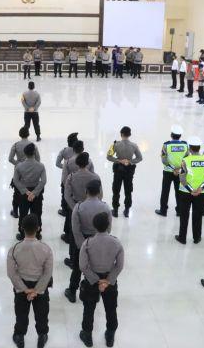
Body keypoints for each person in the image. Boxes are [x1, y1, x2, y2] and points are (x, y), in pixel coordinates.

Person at [78, 213, 124, 348]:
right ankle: (110, 336)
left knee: (89, 308)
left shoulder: (87, 243)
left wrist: (96, 280)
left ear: (94, 226)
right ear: (108, 225)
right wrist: (108, 281)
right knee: (111, 308)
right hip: (110, 281)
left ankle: (87, 336)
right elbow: (119, 265)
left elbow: (83, 266)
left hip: (91, 281)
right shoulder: (116, 243)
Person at [7, 214, 52, 348]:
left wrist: (25, 289)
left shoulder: (14, 249)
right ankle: (42, 336)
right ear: (38, 228)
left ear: (22, 228)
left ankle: (19, 336)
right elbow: (47, 273)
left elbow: (11, 273)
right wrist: (36, 290)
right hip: (40, 286)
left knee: (21, 313)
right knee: (42, 313)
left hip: (21, 286)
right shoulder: (46, 249)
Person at [65, 179, 111, 304]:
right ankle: (94, 293)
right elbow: (108, 229)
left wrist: (82, 246)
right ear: (99, 192)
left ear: (86, 191)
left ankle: (72, 291)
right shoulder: (105, 207)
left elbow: (75, 229)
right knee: (95, 267)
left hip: (82, 240)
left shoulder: (79, 207)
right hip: (98, 241)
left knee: (77, 267)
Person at [175, 137, 204, 244]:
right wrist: (200, 188)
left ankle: (182, 238)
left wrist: (191, 190)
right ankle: (197, 237)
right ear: (199, 148)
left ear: (190, 148)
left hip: (185, 192)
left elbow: (182, 178)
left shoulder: (185, 160)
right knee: (198, 215)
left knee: (184, 215)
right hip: (202, 193)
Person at [106, 126, 143, 217]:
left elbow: (108, 157)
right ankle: (127, 210)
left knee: (116, 190)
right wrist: (130, 162)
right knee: (128, 190)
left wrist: (119, 161)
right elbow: (140, 158)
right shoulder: (134, 145)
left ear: (121, 134)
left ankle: (115, 210)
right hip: (129, 170)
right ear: (129, 134)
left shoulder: (115, 145)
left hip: (118, 170)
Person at [13, 143, 47, 241]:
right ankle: (37, 234)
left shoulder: (19, 166)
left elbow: (16, 180)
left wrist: (26, 191)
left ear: (25, 153)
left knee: (23, 213)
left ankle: (22, 234)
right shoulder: (41, 166)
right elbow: (43, 181)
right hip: (37, 193)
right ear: (34, 153)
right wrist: (34, 193)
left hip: (24, 193)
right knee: (37, 213)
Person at [155, 125, 188, 217]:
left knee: (165, 191)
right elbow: (187, 159)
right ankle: (179, 211)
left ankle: (163, 210)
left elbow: (164, 160)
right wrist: (178, 169)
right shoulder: (185, 145)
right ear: (180, 135)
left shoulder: (166, 145)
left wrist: (173, 168)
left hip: (168, 172)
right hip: (180, 172)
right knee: (179, 191)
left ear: (171, 135)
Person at [9, 127, 41, 218]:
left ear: (20, 135)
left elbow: (10, 158)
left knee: (17, 192)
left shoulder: (15, 145)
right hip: (31, 171)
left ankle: (15, 211)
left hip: (19, 172)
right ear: (28, 134)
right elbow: (38, 159)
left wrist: (18, 164)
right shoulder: (33, 145)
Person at [56, 132, 78, 219]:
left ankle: (64, 210)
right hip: (77, 177)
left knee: (64, 193)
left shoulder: (64, 151)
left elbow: (57, 163)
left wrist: (65, 167)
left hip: (65, 177)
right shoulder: (79, 151)